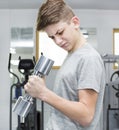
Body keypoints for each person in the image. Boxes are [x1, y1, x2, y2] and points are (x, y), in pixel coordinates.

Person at [24, 0, 105, 130]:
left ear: (75, 23)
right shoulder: (72, 55)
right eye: (52, 37)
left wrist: (43, 93)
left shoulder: (89, 58)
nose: (58, 41)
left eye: (60, 32)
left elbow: (86, 116)